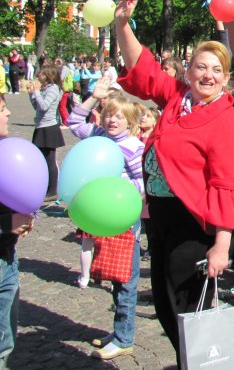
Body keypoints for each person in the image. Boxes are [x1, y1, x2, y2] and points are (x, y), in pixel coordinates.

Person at [113, 0, 234, 366]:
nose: (207, 75)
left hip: (193, 226)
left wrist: (222, 245)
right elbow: (143, 71)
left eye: (216, 70)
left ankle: (201, 365)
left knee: (189, 312)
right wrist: (123, 24)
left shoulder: (227, 122)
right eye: (200, 67)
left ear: (226, 79)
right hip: (160, 219)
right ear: (189, 70)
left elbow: (227, 187)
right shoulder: (178, 99)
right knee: (165, 306)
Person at [67, 76, 144, 360]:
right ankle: (118, 331)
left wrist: (119, 194)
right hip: (101, 219)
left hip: (124, 221)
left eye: (120, 117)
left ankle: (125, 337)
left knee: (126, 281)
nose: (113, 121)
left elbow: (142, 185)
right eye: (110, 115)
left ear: (130, 121)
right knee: (113, 277)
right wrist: (92, 97)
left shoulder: (134, 147)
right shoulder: (98, 136)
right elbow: (74, 123)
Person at [0, 94, 35, 369]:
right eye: (2, 109)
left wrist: (22, 216)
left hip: (8, 257)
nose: (9, 113)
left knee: (6, 341)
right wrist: (5, 223)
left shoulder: (6, 150)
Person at [28, 64, 64, 198]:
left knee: (49, 159)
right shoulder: (46, 89)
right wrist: (32, 93)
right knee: (41, 158)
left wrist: (37, 92)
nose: (39, 76)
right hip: (41, 126)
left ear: (49, 76)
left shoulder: (53, 89)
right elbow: (36, 107)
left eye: (42, 74)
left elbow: (44, 106)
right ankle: (45, 185)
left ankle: (53, 189)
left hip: (49, 127)